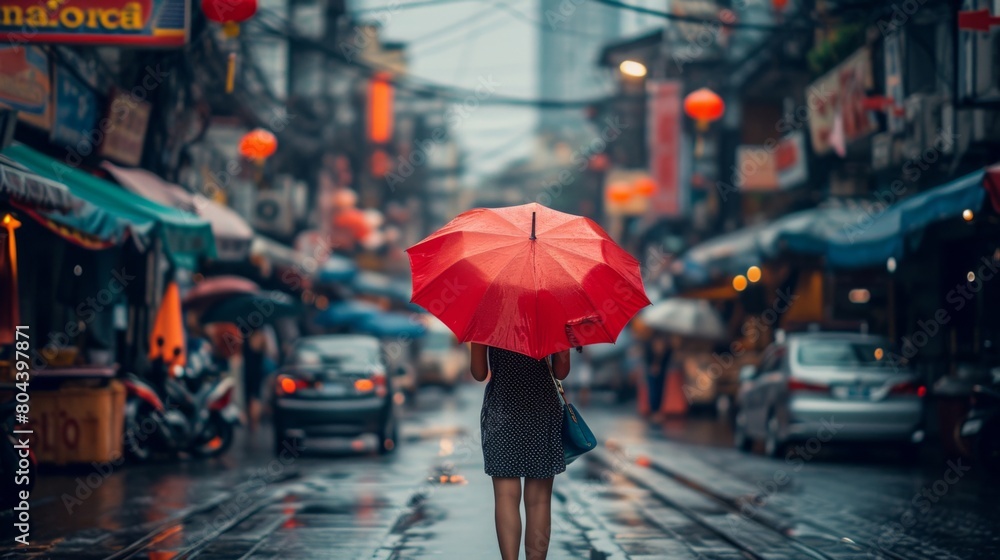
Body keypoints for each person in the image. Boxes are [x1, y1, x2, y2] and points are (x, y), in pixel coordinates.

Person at [471, 342, 571, 560]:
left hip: (502, 409)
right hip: (542, 409)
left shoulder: (488, 315)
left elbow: (479, 373)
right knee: (540, 500)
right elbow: (561, 372)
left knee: (506, 496)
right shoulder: (554, 313)